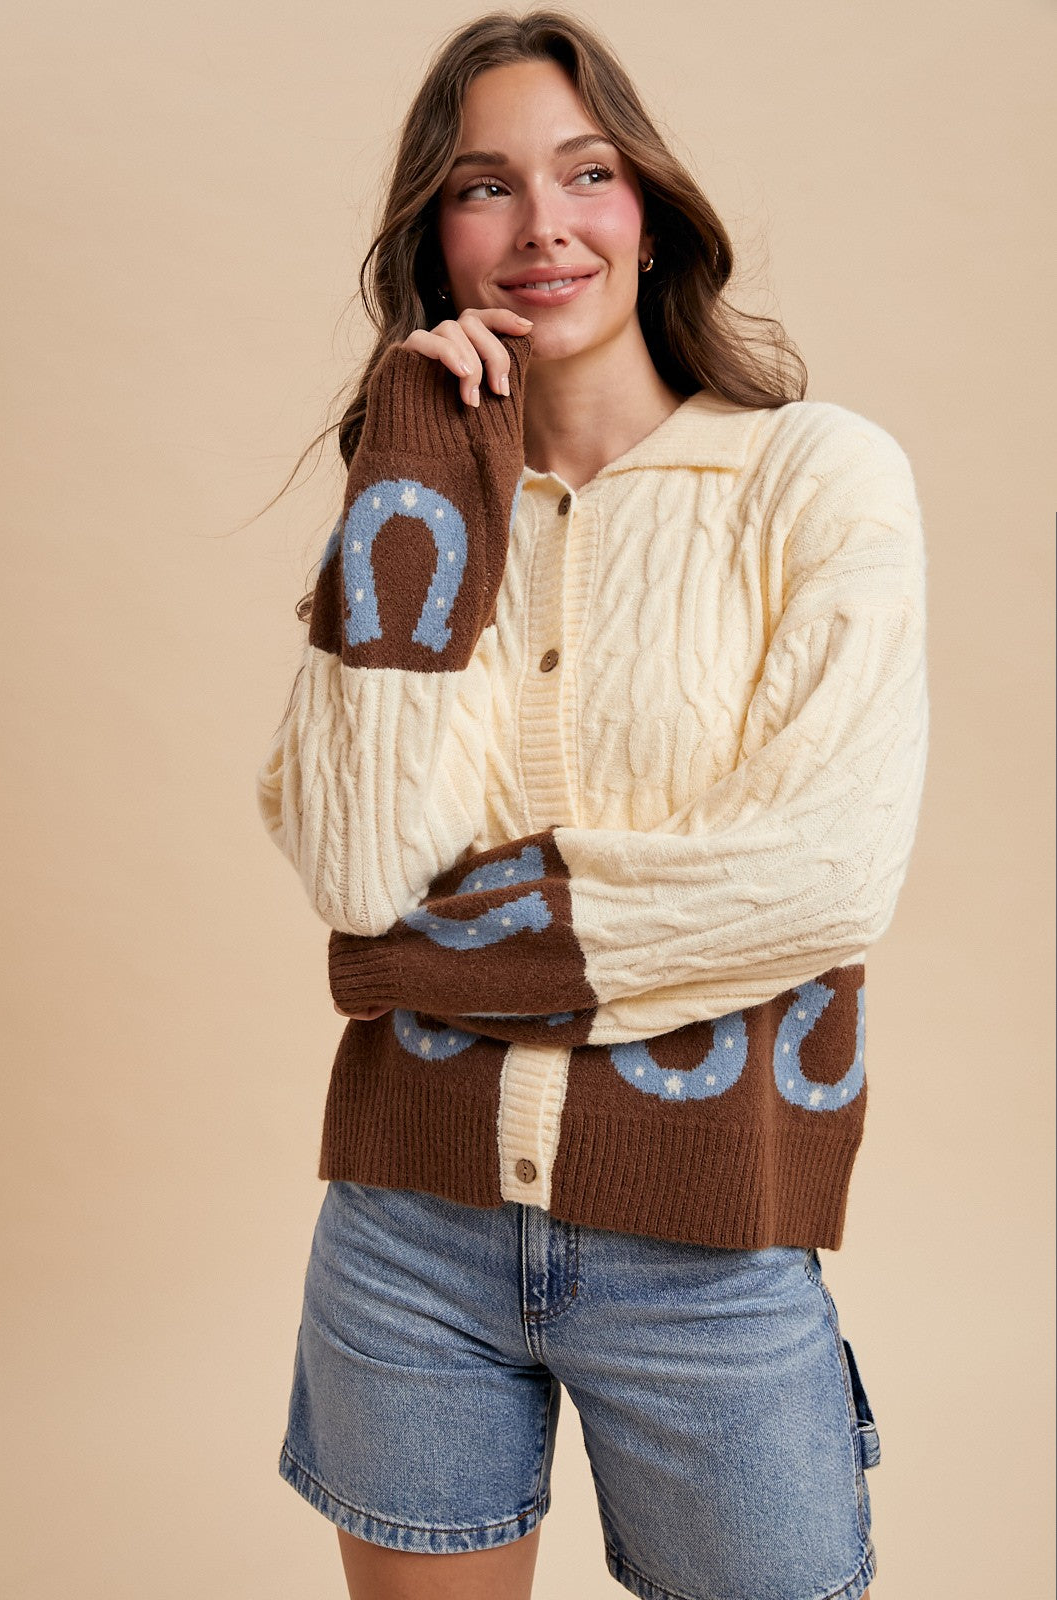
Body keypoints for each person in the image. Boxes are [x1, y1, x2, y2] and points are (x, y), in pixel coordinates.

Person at [256, 10, 927, 1599]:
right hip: (406, 1232)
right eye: (486, 186)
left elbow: (822, 876)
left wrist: (420, 964)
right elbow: (357, 867)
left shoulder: (811, 480)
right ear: (437, 239)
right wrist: (416, 463)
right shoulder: (412, 509)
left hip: (709, 1252)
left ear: (651, 214)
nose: (543, 224)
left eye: (588, 171)